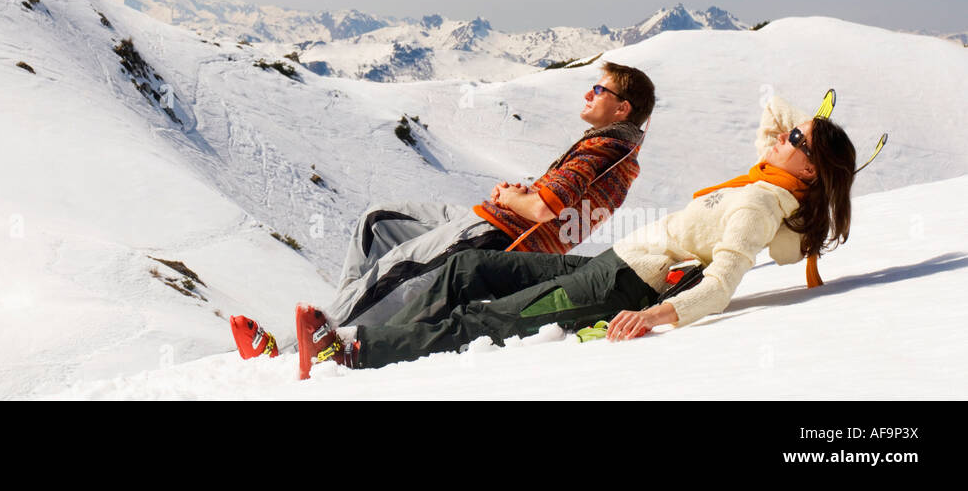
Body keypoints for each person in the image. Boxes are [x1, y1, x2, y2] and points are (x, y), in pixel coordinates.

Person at [294, 93, 856, 378]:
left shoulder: (757, 202)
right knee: (467, 270)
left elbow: (724, 283)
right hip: (605, 266)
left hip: (619, 291)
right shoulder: (769, 175)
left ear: (807, 171)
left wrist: (656, 316)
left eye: (795, 140)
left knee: (485, 320)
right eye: (789, 133)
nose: (779, 137)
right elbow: (770, 124)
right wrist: (810, 126)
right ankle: (360, 327)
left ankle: (353, 352)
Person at [230, 62, 657, 360]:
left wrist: (513, 198)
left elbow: (544, 208)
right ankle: (340, 317)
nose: (588, 93)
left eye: (600, 89)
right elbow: (556, 202)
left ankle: (291, 350)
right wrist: (519, 194)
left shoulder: (607, 147)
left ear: (622, 108)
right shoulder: (615, 150)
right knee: (378, 223)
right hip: (489, 220)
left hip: (499, 232)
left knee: (397, 267)